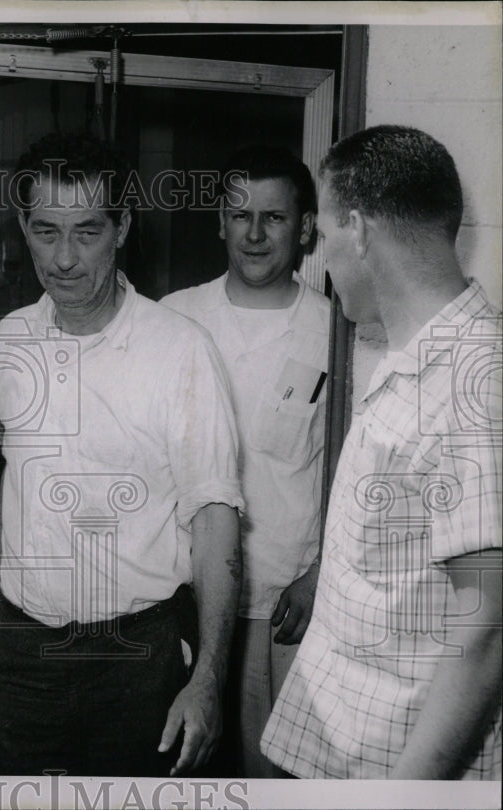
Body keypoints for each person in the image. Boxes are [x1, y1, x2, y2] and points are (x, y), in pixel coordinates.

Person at [0, 132, 245, 777]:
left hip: (137, 659)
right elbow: (21, 474)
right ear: (23, 225)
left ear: (123, 227)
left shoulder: (180, 349)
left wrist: (208, 679)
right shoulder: (10, 338)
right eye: (45, 232)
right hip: (20, 653)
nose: (65, 259)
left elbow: (215, 518)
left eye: (88, 232)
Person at [261, 125, 502, 779]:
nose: (322, 259)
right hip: (345, 753)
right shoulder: (416, 361)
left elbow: (486, 627)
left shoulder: (474, 380)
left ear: (361, 230)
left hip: (395, 774)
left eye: (326, 234)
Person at [161, 146, 330, 777]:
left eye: (275, 218)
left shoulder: (336, 329)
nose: (254, 234)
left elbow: (354, 473)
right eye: (240, 215)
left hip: (286, 607)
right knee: (177, 772)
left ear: (307, 228)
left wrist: (320, 575)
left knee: (271, 778)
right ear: (219, 222)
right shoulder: (173, 318)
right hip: (182, 596)